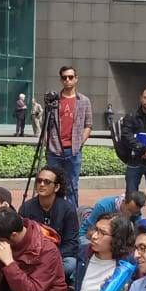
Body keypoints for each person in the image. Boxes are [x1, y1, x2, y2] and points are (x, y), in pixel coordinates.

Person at [67, 214, 137, 291]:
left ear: (117, 239)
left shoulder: (128, 265)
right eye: (95, 229)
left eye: (102, 233)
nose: (94, 236)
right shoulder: (84, 254)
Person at [18, 165, 80, 280]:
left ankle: (39, 278)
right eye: (39, 181)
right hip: (32, 257)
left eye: (47, 182)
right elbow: (20, 238)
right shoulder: (26, 208)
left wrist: (50, 256)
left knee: (71, 265)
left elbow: (72, 243)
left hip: (58, 257)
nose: (41, 184)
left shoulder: (67, 209)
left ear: (56, 187)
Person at [47, 66, 93, 207]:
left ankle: (72, 218)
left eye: (71, 77)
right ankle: (54, 215)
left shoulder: (84, 101)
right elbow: (45, 125)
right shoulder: (54, 100)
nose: (68, 80)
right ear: (61, 80)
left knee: (72, 186)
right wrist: (47, 143)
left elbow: (89, 125)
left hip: (73, 151)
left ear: (76, 79)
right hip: (54, 151)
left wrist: (79, 143)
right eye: (64, 77)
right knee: (53, 186)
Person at [77, 190, 145, 243]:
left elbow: (138, 232)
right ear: (124, 202)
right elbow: (84, 231)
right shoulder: (103, 206)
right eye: (129, 210)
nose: (130, 215)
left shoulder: (136, 213)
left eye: (134, 212)